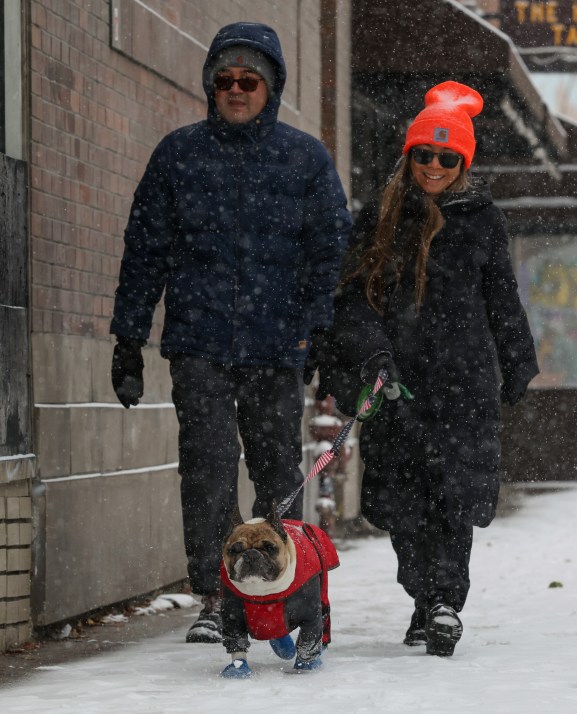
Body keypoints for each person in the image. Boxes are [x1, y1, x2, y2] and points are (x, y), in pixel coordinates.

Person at [109, 22, 352, 644]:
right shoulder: (179, 155)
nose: (236, 90)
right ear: (210, 87)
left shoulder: (304, 159)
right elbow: (145, 251)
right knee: (209, 469)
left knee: (277, 473)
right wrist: (128, 338)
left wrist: (320, 331)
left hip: (278, 346)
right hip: (200, 342)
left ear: (270, 88)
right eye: (225, 80)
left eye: (249, 81)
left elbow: (330, 253)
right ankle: (218, 596)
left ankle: (284, 589)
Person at [316, 81, 539, 657]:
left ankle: (444, 602)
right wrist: (372, 357)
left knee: (454, 500)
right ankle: (422, 596)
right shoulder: (380, 218)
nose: (434, 166)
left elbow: (502, 297)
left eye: (447, 157)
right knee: (405, 505)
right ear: (409, 155)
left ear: (462, 162)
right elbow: (354, 299)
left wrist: (517, 359)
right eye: (424, 154)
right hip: (398, 385)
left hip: (464, 384)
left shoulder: (483, 220)